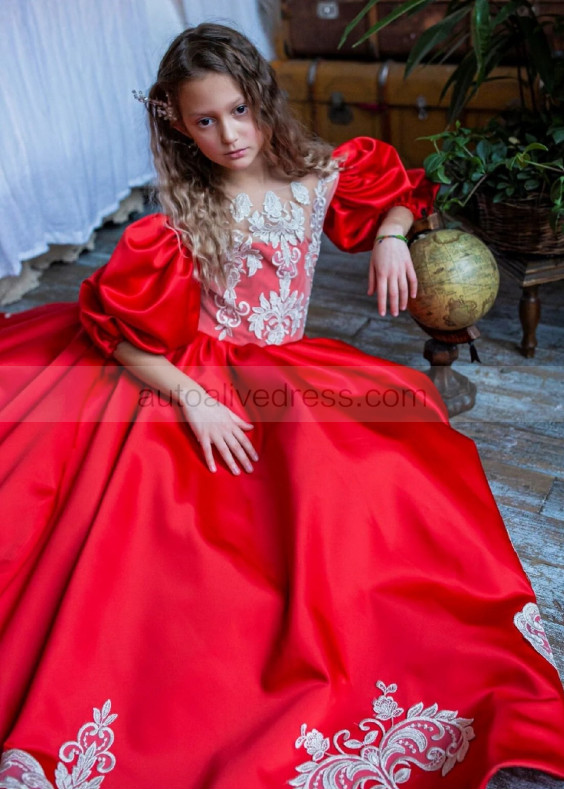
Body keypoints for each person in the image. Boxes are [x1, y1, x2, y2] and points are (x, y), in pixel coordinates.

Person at [0, 22, 563, 790]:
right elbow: (125, 340)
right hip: (193, 374)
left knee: (388, 462)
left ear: (262, 99)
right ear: (177, 123)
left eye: (237, 110)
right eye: (203, 120)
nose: (227, 135)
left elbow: (400, 192)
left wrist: (395, 237)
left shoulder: (323, 176)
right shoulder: (182, 217)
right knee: (192, 533)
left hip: (287, 370)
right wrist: (195, 401)